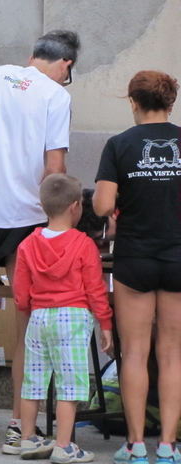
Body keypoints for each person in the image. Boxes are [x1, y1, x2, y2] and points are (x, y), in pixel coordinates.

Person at [0, 30, 79, 454]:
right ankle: (20, 430)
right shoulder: (56, 96)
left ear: (31, 56)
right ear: (66, 66)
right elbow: (54, 167)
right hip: (25, 220)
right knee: (27, 327)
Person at [93, 70, 181, 464]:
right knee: (172, 355)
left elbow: (100, 206)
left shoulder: (119, 145)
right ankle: (168, 445)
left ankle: (134, 444)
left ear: (132, 102)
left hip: (134, 260)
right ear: (171, 103)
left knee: (134, 354)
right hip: (178, 258)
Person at [14, 174, 112, 463]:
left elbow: (20, 295)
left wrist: (31, 307)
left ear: (44, 208)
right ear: (74, 207)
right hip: (73, 317)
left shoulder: (27, 245)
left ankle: (28, 439)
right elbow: (96, 290)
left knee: (32, 382)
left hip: (39, 317)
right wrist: (104, 323)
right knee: (69, 386)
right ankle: (64, 445)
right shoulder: (84, 246)